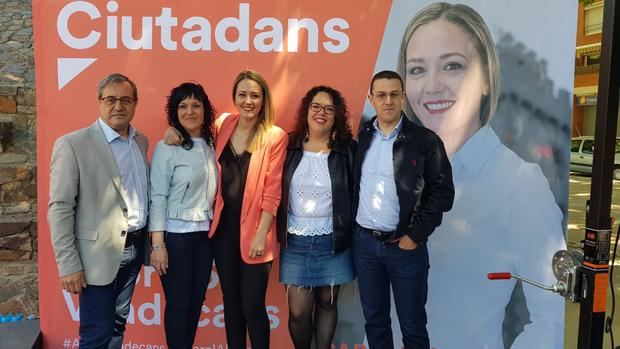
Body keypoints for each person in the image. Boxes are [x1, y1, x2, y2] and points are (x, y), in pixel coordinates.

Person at [397, 3, 566, 348]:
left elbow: (550, 319)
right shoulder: (394, 166)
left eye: (452, 66)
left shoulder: (520, 184)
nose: (431, 86)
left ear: (487, 77)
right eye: (417, 70)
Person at [165, 69, 287, 349]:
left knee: (253, 306)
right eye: (242, 94)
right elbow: (193, 135)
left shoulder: (274, 136)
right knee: (231, 303)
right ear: (234, 97)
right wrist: (171, 129)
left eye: (254, 95)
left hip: (257, 232)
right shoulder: (223, 124)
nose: (248, 101)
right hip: (222, 230)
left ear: (263, 99)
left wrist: (261, 234)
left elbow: (272, 191)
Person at [352, 70, 454, 349]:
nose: (388, 101)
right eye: (381, 95)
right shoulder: (361, 138)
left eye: (394, 94)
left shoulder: (425, 140)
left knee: (413, 328)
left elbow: (442, 192)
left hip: (405, 249)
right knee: (375, 322)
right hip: (365, 246)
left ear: (403, 98)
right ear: (371, 98)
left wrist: (416, 234)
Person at [48, 73, 148, 348]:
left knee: (117, 325)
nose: (118, 106)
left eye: (126, 99)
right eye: (111, 99)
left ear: (135, 103)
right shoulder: (73, 144)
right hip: (96, 257)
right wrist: (68, 264)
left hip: (135, 249)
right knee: (96, 334)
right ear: (99, 102)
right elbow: (60, 207)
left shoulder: (141, 142)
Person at [276, 86, 356, 349]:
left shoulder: (347, 151)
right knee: (298, 312)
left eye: (329, 108)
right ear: (306, 110)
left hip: (333, 240)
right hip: (295, 241)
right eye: (316, 106)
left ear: (337, 115)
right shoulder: (287, 145)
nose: (321, 113)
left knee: (327, 302)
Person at [149, 82, 217, 349]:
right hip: (175, 239)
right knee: (178, 306)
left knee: (195, 303)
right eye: (183, 106)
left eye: (196, 105)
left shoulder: (213, 144)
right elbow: (158, 197)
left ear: (205, 110)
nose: (189, 111)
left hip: (204, 237)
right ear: (174, 112)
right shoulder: (167, 147)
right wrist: (158, 245)